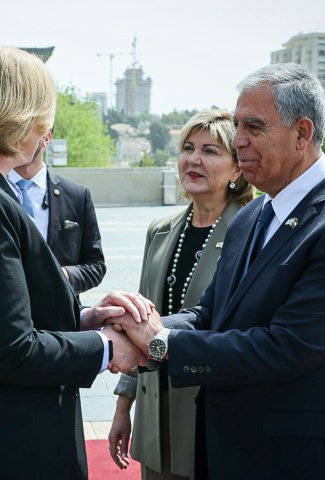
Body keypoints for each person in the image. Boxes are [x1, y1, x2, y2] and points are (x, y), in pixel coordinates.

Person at [110, 63, 325, 479]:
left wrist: (160, 343)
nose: (239, 140)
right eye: (237, 124)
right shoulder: (255, 215)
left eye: (254, 126)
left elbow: (285, 347)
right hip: (231, 452)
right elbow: (209, 315)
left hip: (301, 462)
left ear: (302, 134)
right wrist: (137, 325)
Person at [0, 46, 148, 479]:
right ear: (26, 119)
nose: (46, 131)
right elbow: (10, 351)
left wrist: (85, 319)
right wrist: (108, 347)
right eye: (45, 118)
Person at [108, 109, 254, 479]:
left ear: (237, 168)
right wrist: (124, 406)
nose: (193, 159)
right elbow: (138, 323)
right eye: (188, 148)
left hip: (213, 412)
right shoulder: (160, 230)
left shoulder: (251, 230)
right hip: (156, 415)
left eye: (210, 150)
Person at [10, 130, 106, 294]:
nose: (16, 137)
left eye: (25, 130)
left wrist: (63, 275)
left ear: (46, 138)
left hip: (63, 314)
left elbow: (96, 265)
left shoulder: (77, 195)